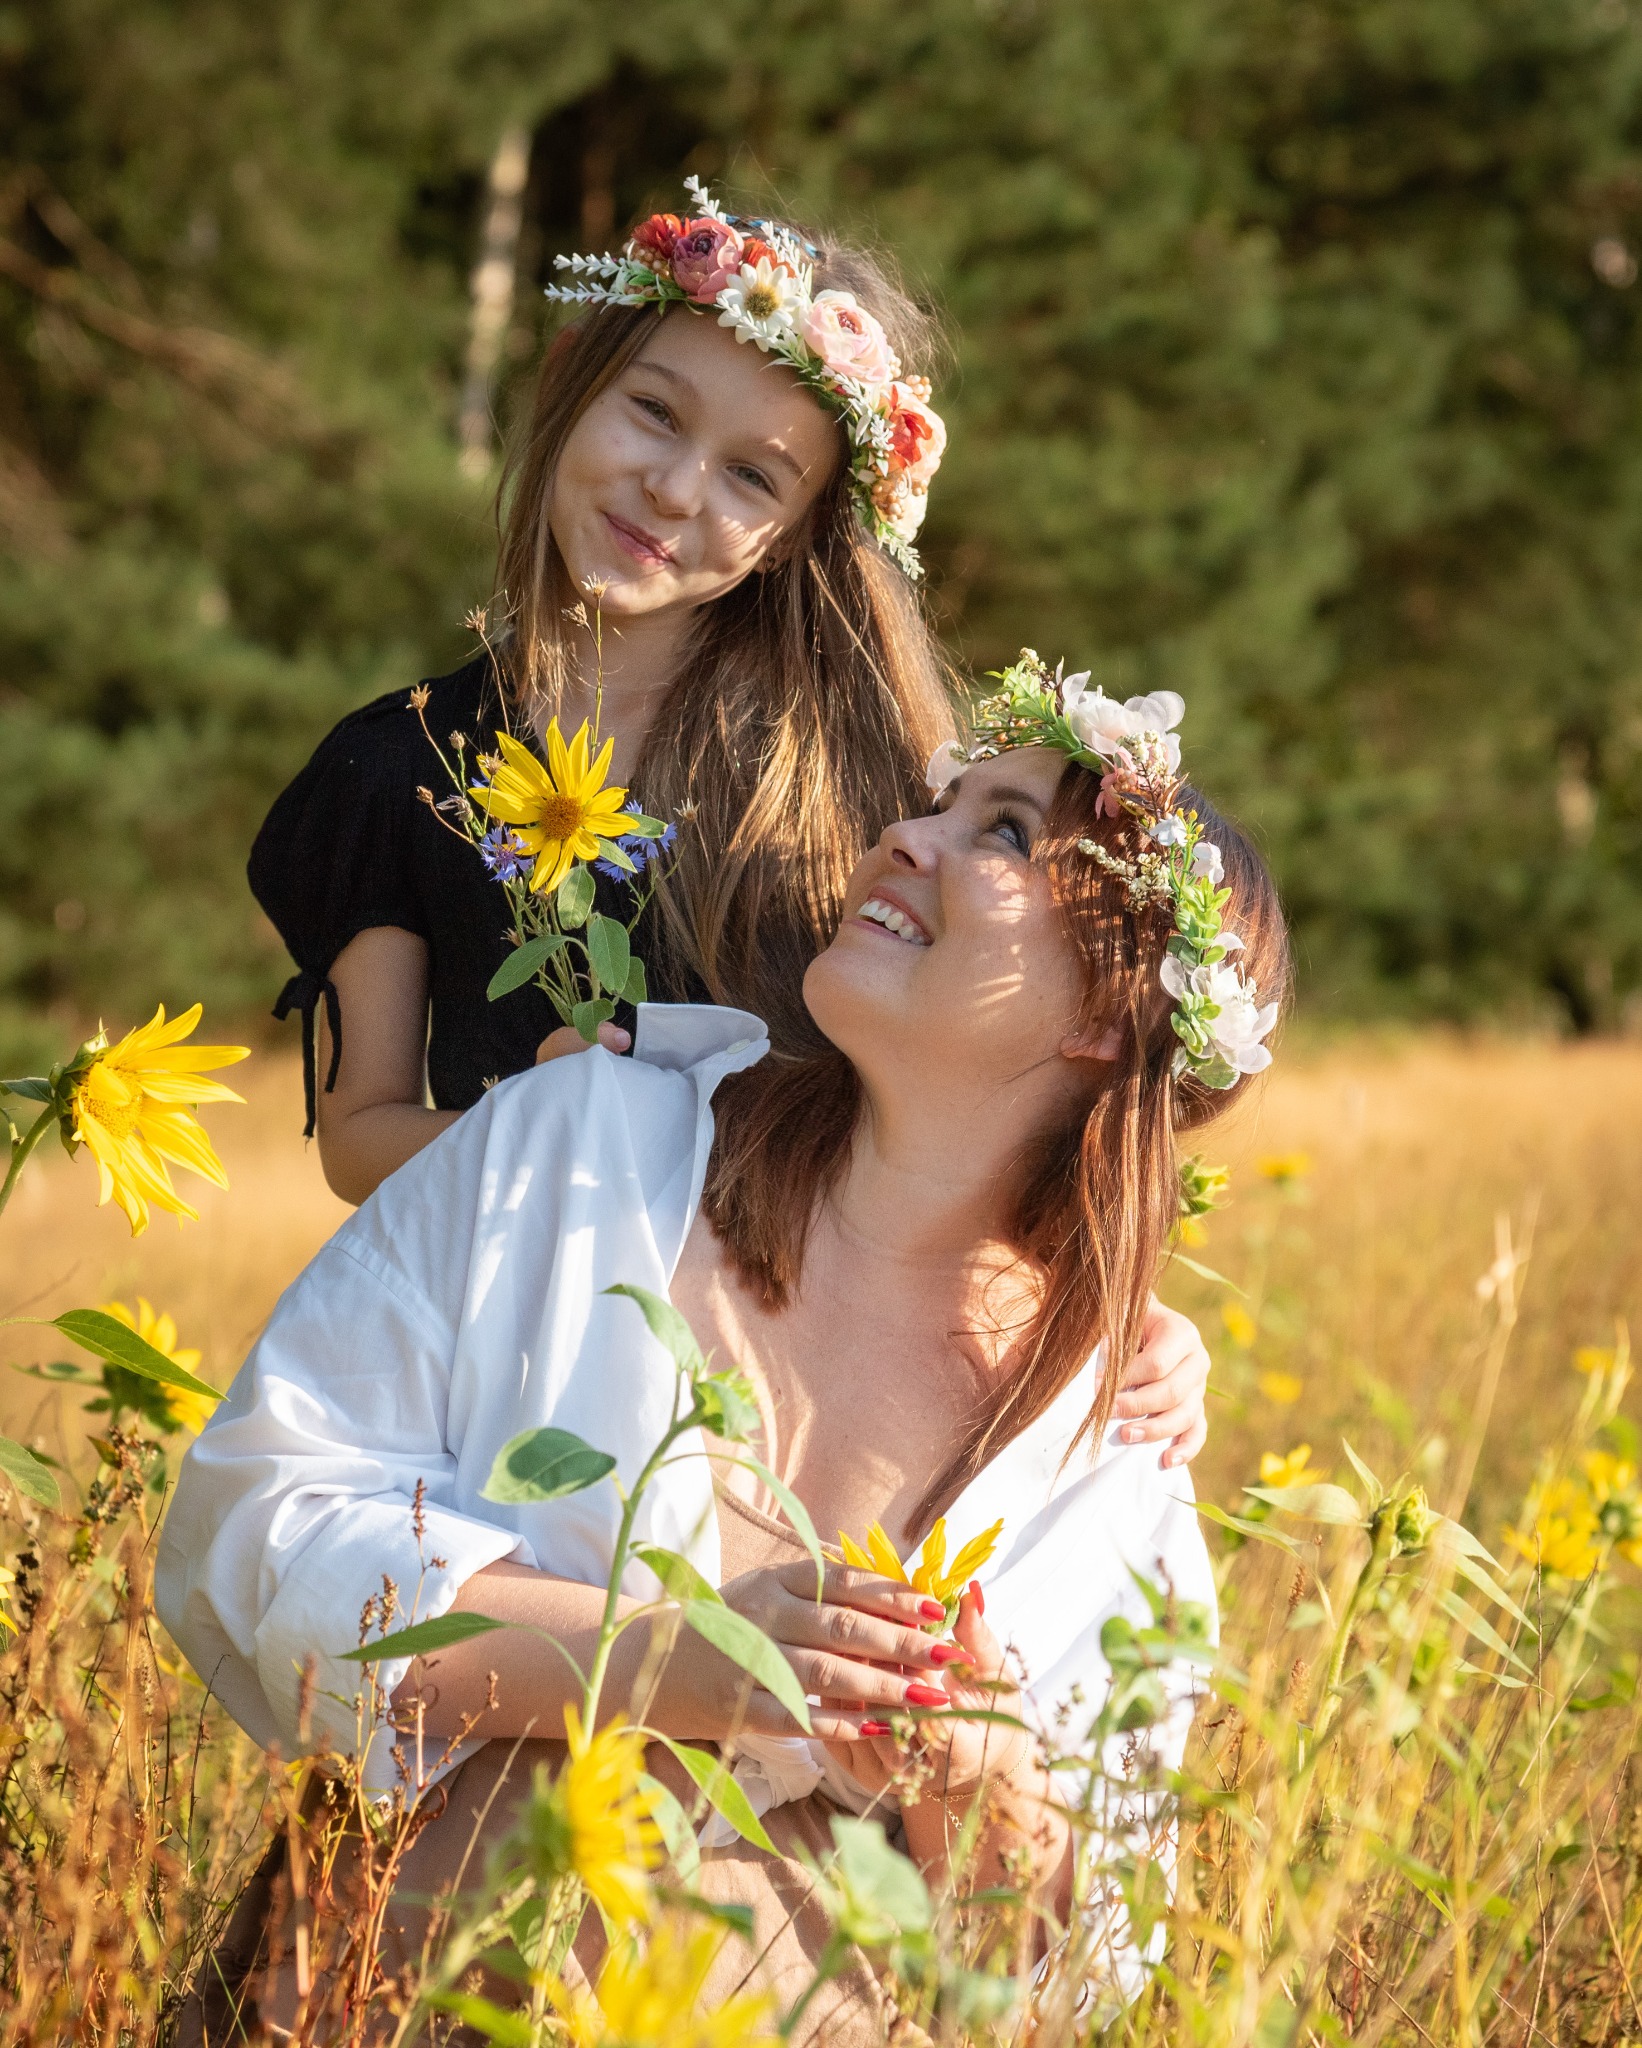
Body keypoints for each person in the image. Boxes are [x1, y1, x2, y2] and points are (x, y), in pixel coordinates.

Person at [159, 663, 1289, 2037]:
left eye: (999, 833)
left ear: (1104, 1020)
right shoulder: (579, 1149)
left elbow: (1103, 1955)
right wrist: (667, 1662)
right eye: (941, 805)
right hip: (417, 1986)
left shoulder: (1110, 1437)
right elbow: (254, 1522)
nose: (908, 836)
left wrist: (973, 1773)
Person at [248, 181, 1212, 1462]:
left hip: (799, 1363)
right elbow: (359, 1136)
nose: (672, 487)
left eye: (753, 475)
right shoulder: (396, 768)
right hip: (526, 1352)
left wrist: (1117, 1297)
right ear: (573, 387)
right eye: (654, 409)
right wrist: (578, 1134)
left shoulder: (861, 783)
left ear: (790, 537)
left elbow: (995, 1076)